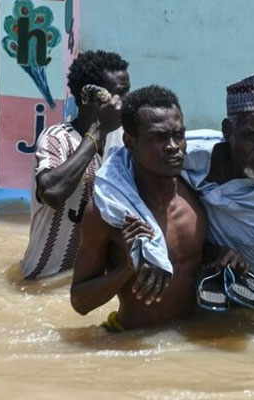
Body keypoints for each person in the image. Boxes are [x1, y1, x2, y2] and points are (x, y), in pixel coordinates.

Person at [95, 71, 254, 308]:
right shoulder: (188, 153)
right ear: (227, 131)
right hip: (197, 290)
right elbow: (119, 166)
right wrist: (146, 244)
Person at [70, 85, 207, 330]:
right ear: (130, 142)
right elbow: (80, 302)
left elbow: (193, 260)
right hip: (131, 346)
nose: (173, 146)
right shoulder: (108, 212)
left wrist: (226, 255)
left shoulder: (198, 195)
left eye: (178, 135)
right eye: (159, 137)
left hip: (190, 344)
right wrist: (127, 269)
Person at [20, 50, 130, 279]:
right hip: (43, 280)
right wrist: (97, 131)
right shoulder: (56, 138)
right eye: (118, 94)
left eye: (126, 93)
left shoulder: (124, 141)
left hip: (89, 283)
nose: (124, 103)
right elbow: (52, 192)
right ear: (88, 97)